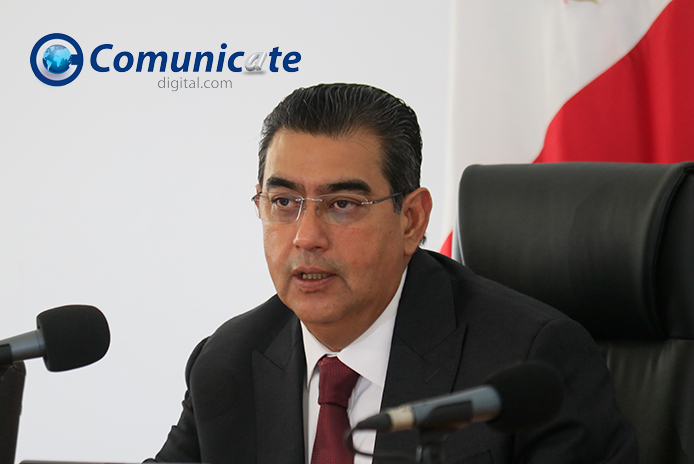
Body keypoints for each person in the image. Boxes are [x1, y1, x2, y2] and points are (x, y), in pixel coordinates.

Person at [153, 83, 638, 464]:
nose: (306, 237)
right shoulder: (227, 363)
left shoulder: (529, 362)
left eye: (342, 204)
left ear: (411, 220)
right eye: (283, 202)